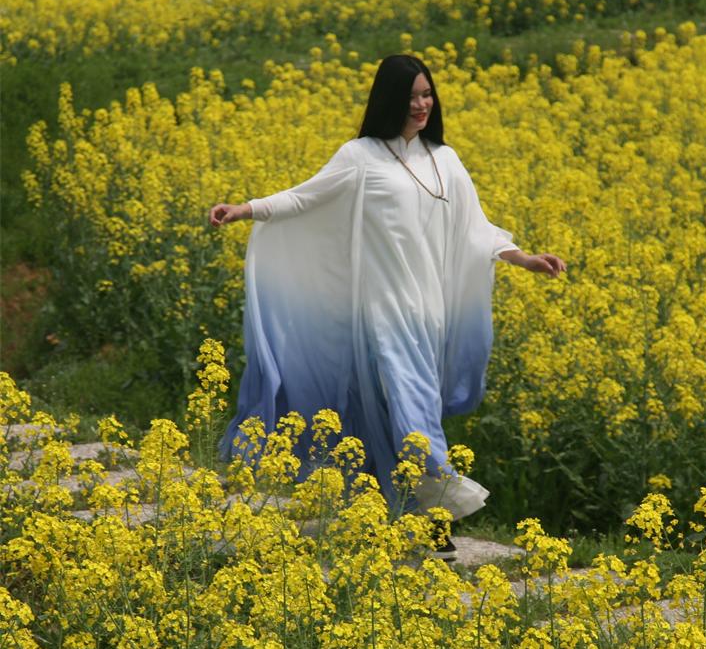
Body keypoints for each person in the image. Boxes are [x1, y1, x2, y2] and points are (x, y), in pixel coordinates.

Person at [208, 54, 565, 559]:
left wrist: (523, 258)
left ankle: (382, 509)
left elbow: (475, 228)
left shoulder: (446, 159)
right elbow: (305, 198)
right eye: (412, 96)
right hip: (380, 313)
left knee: (383, 410)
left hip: (429, 314)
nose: (422, 105)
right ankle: (441, 516)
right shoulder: (361, 156)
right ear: (389, 100)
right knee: (413, 408)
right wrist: (246, 209)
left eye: (427, 95)